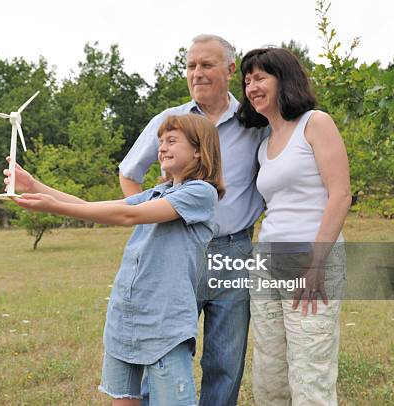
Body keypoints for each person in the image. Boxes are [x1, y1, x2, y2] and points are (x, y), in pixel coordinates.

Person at [6, 114, 224, 405]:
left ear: (199, 150)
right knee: (122, 399)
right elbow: (91, 206)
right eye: (160, 142)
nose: (162, 148)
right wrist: (34, 186)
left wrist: (55, 208)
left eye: (172, 141)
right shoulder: (157, 192)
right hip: (127, 315)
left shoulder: (200, 193)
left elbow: (127, 215)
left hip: (164, 323)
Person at [119, 34, 267, 406]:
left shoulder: (256, 123)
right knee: (164, 349)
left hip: (232, 250)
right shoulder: (173, 122)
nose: (196, 73)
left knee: (226, 360)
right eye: (190, 66)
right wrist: (151, 218)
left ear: (231, 70)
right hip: (175, 253)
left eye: (206, 65)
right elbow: (129, 171)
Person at [238, 47, 351, 405]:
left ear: (283, 78)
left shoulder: (315, 123)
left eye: (260, 77)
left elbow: (340, 195)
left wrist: (317, 263)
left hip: (310, 258)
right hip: (268, 260)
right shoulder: (264, 142)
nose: (251, 86)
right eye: (247, 80)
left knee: (309, 369)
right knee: (269, 370)